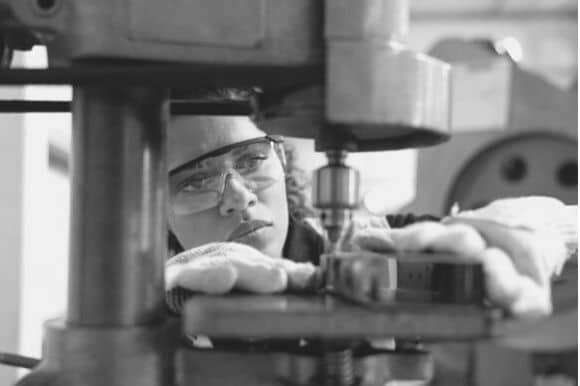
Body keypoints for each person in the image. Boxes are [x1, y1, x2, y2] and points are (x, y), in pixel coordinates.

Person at [164, 107, 575, 321]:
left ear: (282, 161)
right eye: (194, 182)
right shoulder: (139, 299)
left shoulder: (372, 252)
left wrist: (522, 229)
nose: (237, 196)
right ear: (150, 209)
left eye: (252, 159)